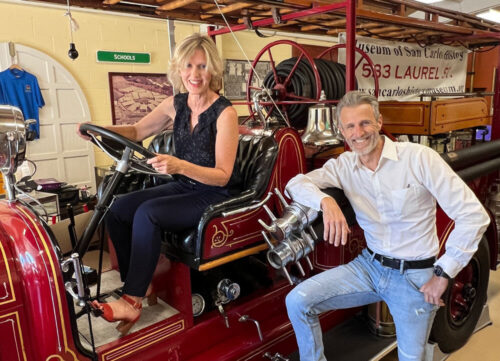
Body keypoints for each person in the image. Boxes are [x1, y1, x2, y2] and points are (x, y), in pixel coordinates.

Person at [284, 91, 490, 361]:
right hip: (370, 266)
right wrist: (325, 201)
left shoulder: (418, 158)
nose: (359, 132)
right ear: (342, 132)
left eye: (365, 123)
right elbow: (294, 184)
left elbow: (474, 214)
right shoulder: (344, 165)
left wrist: (443, 274)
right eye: (350, 126)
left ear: (379, 122)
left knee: (410, 358)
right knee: (298, 301)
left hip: (414, 276)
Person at [77, 33, 239, 335]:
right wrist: (98, 129)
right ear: (179, 69)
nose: (195, 74)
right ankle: (139, 282)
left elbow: (223, 175)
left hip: (211, 193)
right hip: (183, 186)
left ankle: (132, 300)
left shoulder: (225, 113)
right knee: (118, 207)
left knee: (147, 213)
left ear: (213, 70)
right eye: (188, 66)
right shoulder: (175, 105)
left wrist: (179, 165)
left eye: (202, 67)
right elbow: (137, 130)